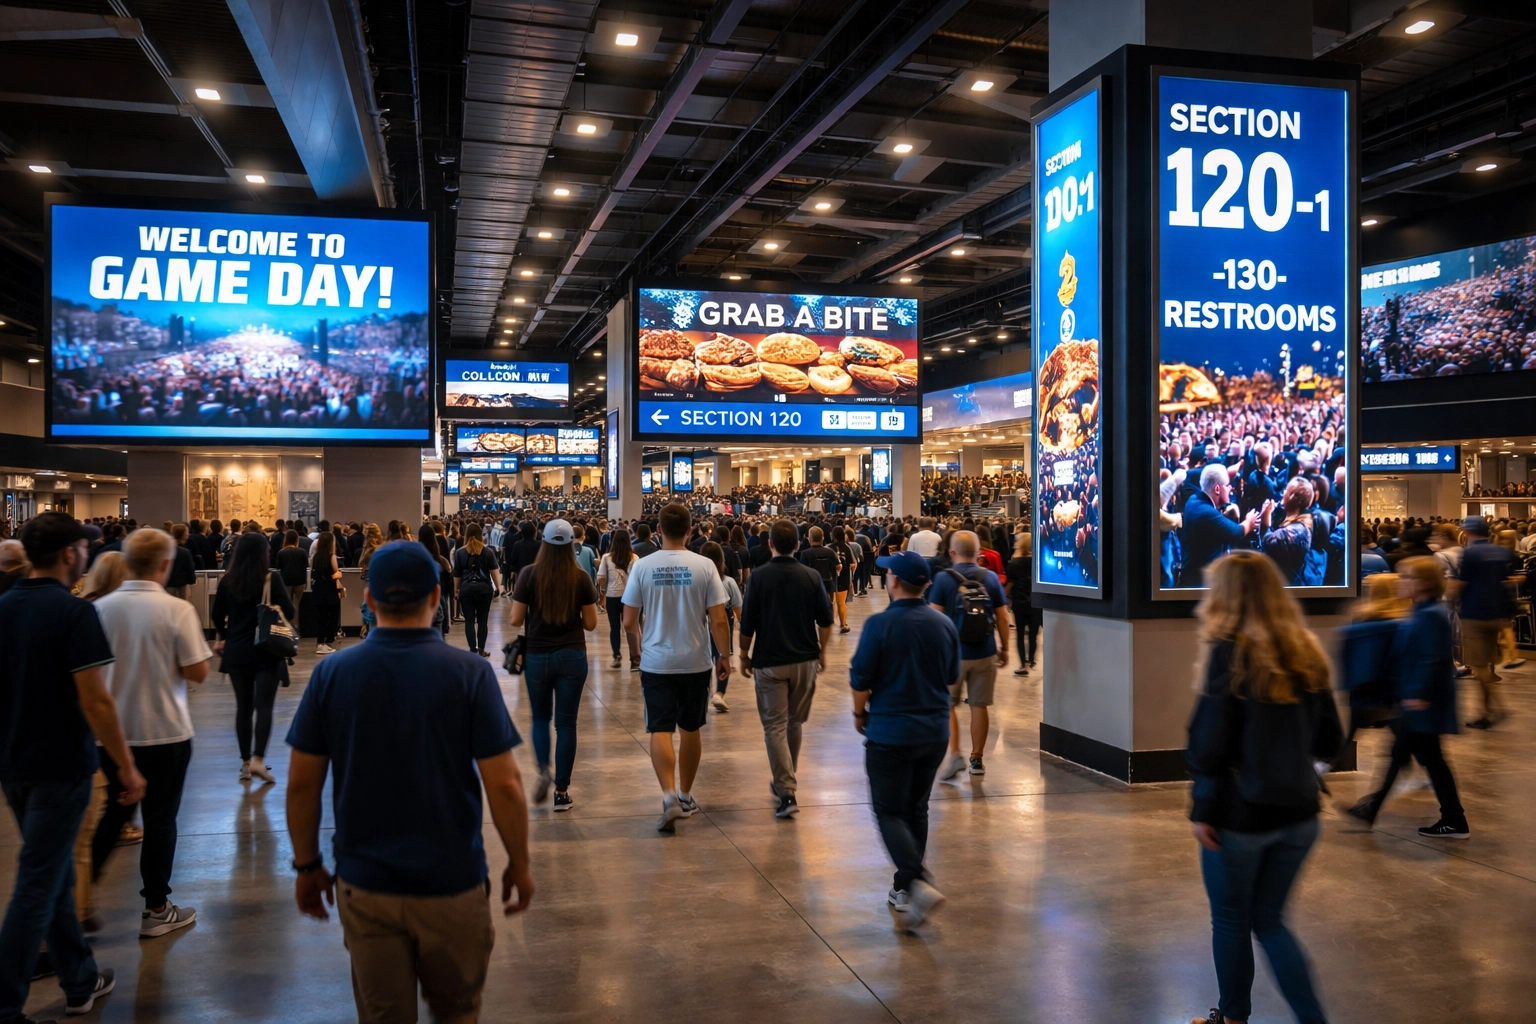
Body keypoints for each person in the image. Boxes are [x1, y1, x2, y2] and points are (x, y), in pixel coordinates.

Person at [284, 541, 534, 1023]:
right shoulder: (470, 674)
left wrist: (306, 865)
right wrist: (519, 863)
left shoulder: (331, 673)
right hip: (453, 884)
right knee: (457, 1012)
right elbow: (505, 785)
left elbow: (300, 784)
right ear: (438, 597)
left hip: (366, 886)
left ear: (370, 600)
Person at [1185, 550, 1341, 1024]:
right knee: (1271, 923)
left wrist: (1203, 809)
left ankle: (1232, 1018)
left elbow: (1207, 746)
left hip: (1240, 818)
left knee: (1231, 920)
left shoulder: (1229, 652)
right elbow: (1330, 738)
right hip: (1300, 815)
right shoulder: (1306, 651)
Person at [0, 512, 140, 1020]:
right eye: (84, 547)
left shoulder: (5, 606)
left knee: (53, 871)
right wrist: (126, 767)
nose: (88, 553)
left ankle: (79, 980)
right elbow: (96, 702)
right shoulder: (74, 613)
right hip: (61, 765)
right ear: (69, 555)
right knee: (37, 883)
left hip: (14, 764)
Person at [90, 529, 212, 938]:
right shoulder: (176, 610)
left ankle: (79, 894)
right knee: (161, 819)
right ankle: (156, 908)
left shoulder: (99, 608)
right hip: (165, 731)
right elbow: (197, 671)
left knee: (115, 813)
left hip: (112, 734)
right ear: (166, 564)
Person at [849, 550, 958, 930]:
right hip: (934, 732)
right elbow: (950, 675)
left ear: (894, 581)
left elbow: (860, 678)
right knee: (917, 807)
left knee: (889, 811)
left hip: (891, 732)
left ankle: (916, 879)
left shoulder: (880, 625)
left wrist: (859, 713)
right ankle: (905, 889)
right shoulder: (943, 624)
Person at [622, 504, 731, 833]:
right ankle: (685, 795)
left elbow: (628, 620)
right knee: (690, 727)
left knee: (660, 728)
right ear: (690, 530)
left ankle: (668, 795)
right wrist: (723, 655)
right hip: (695, 661)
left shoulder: (642, 566)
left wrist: (640, 647)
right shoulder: (705, 566)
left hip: (657, 662)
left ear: (658, 528)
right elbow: (719, 618)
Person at [1344, 557, 1470, 839]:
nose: (1401, 583)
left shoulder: (1429, 615)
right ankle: (1375, 808)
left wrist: (1417, 694)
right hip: (1415, 701)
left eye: (1407, 578)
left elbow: (1431, 659)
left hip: (1420, 703)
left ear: (1423, 583)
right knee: (1416, 757)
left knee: (1420, 758)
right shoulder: (1423, 612)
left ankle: (1452, 819)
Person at [738, 521, 832, 818]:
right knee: (794, 724)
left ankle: (787, 791)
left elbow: (747, 622)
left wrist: (742, 653)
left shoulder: (759, 577)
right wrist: (823, 652)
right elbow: (826, 621)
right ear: (798, 545)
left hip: (769, 661)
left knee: (774, 727)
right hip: (805, 660)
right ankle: (785, 780)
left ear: (770, 544)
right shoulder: (811, 576)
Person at [510, 520, 598, 812]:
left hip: (536, 656)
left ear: (544, 543)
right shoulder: (582, 577)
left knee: (539, 719)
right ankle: (562, 791)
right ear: (572, 543)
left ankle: (543, 771)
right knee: (566, 724)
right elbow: (590, 624)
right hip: (572, 656)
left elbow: (514, 618)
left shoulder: (529, 575)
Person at [211, 532, 297, 785]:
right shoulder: (271, 578)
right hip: (267, 650)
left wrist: (224, 636)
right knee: (265, 706)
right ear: (263, 552)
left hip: (237, 650)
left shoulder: (228, 581)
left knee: (243, 708)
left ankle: (245, 763)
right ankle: (259, 759)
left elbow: (217, 614)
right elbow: (289, 611)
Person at [927, 531, 1010, 779]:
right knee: (979, 705)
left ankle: (955, 754)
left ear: (952, 553)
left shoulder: (943, 579)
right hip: (985, 651)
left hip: (954, 655)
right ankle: (977, 758)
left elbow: (936, 618)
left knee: (948, 704)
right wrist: (1004, 647)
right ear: (979, 554)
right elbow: (1003, 616)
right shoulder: (991, 578)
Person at [1455, 515, 1520, 728]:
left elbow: (1461, 584)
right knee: (1486, 667)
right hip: (1497, 613)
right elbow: (1506, 580)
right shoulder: (1501, 552)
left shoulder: (1470, 553)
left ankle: (1500, 707)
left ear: (1468, 532)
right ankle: (1484, 712)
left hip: (1474, 614)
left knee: (1478, 666)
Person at [1180, 464, 1272, 587]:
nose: (1231, 489)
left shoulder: (1194, 499)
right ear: (1217, 489)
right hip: (1199, 584)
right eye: (1228, 485)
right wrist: (1249, 522)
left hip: (1193, 575)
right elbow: (1237, 532)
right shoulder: (1206, 512)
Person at [453, 524, 502, 657]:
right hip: (484, 590)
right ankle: (481, 649)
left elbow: (457, 574)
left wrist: (456, 590)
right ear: (481, 535)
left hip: (466, 590)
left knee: (469, 621)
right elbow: (493, 572)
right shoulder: (488, 552)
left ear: (466, 535)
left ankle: (472, 650)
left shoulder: (460, 553)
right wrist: (497, 588)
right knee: (482, 621)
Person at [594, 530, 641, 670]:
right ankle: (635, 659)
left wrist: (603, 592)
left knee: (614, 628)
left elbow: (601, 577)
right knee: (631, 628)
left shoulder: (607, 558)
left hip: (612, 596)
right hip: (630, 598)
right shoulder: (635, 558)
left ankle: (616, 655)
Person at [1006, 532, 1039, 674]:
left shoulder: (1014, 563)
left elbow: (1010, 584)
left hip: (1019, 602)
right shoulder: (1037, 561)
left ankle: (1022, 665)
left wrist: (1004, 599)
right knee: (1033, 635)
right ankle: (1031, 659)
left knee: (1020, 634)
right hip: (1035, 602)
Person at [309, 530, 343, 655]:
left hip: (318, 588)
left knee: (322, 617)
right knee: (333, 615)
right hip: (329, 589)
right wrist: (339, 574)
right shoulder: (331, 556)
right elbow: (336, 573)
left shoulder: (316, 556)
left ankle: (320, 642)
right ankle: (327, 640)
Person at [829, 527, 856, 633]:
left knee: (831, 602)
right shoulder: (847, 547)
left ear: (833, 535)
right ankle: (843, 624)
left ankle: (829, 622)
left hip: (830, 578)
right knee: (841, 603)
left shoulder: (828, 548)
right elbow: (853, 564)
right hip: (844, 578)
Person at [276, 529, 309, 603]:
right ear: (297, 539)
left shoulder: (281, 552)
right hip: (300, 581)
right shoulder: (303, 552)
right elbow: (305, 567)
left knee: (287, 604)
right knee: (297, 604)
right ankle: (296, 615)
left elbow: (279, 567)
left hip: (286, 580)